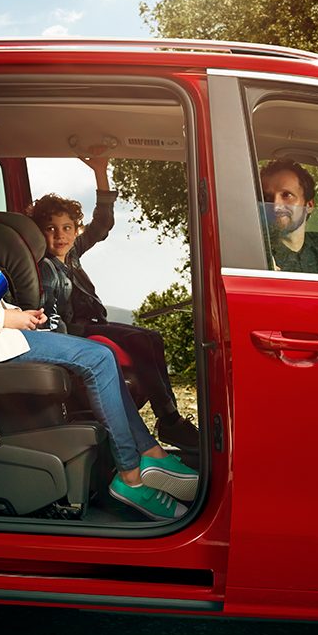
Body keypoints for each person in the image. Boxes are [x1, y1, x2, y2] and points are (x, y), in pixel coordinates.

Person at [0, 255, 199, 520]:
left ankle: (150, 454)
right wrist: (6, 320)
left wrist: (16, 314)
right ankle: (131, 475)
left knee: (105, 354)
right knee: (98, 359)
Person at [33, 158, 200, 451]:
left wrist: (100, 172)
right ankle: (170, 421)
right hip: (75, 333)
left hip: (92, 324)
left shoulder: (71, 255)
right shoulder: (47, 268)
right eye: (51, 228)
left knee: (152, 337)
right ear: (39, 232)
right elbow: (50, 316)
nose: (60, 235)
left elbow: (103, 223)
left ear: (75, 230)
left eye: (67, 228)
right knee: (139, 340)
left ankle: (169, 418)